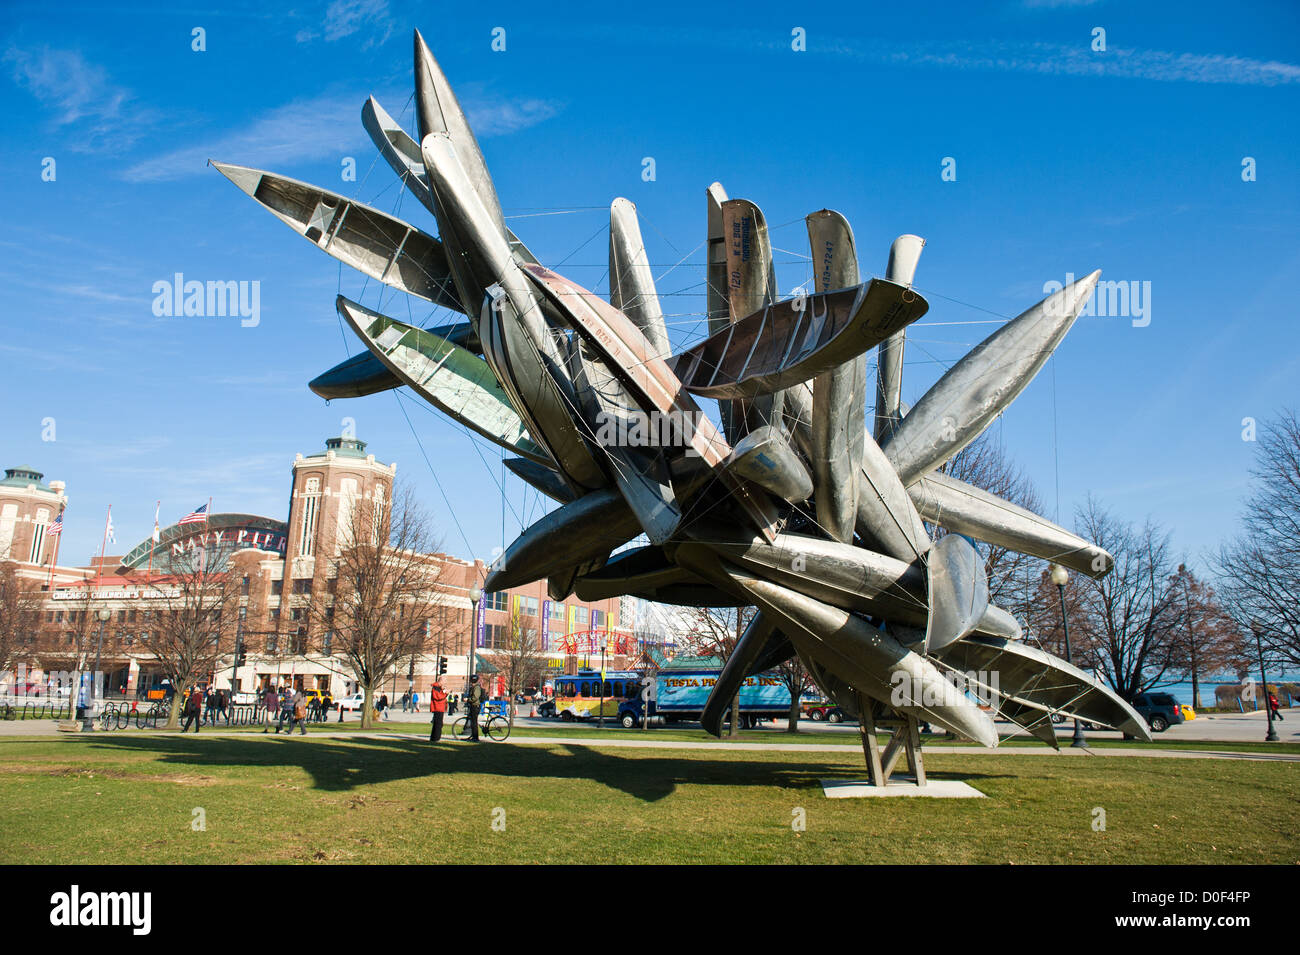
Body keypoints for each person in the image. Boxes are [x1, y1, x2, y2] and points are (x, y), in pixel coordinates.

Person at [465, 675, 484, 742]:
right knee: (473, 722)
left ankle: (475, 737)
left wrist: (468, 700)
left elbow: (475, 697)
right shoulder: (474, 687)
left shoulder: (476, 688)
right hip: (473, 706)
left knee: (474, 722)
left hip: (475, 706)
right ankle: (473, 736)